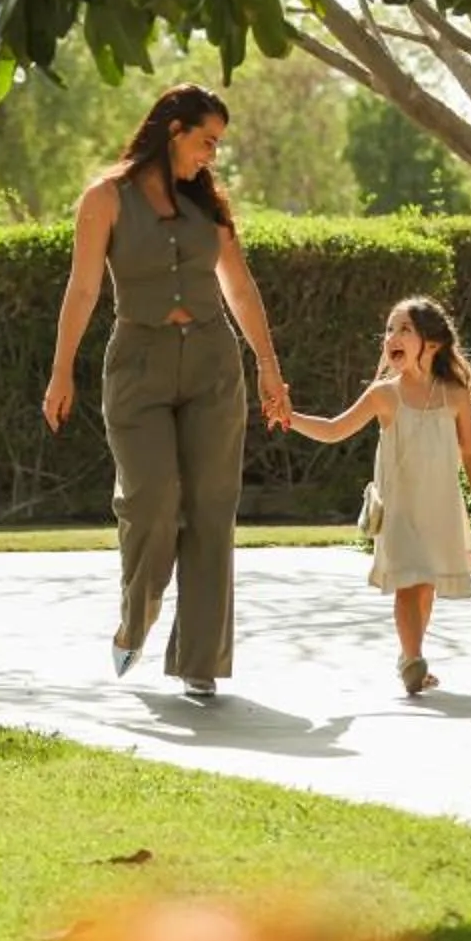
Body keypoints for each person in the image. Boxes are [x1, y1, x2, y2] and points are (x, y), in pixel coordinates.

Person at [43, 85, 293, 702]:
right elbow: (82, 291)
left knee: (211, 508)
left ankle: (199, 660)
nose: (212, 155)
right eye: (207, 140)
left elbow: (239, 288)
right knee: (153, 500)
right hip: (138, 365)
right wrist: (60, 371)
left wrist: (268, 368)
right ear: (174, 129)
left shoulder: (209, 206)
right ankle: (138, 615)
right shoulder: (106, 198)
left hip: (212, 364)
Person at [283, 296, 471, 696]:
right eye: (388, 330)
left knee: (426, 584)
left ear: (431, 344)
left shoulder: (455, 395)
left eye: (404, 329)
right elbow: (333, 429)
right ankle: (414, 661)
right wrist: (289, 417)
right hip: (398, 509)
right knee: (407, 582)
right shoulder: (385, 395)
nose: (392, 337)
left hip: (440, 508)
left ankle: (409, 654)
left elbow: (470, 452)